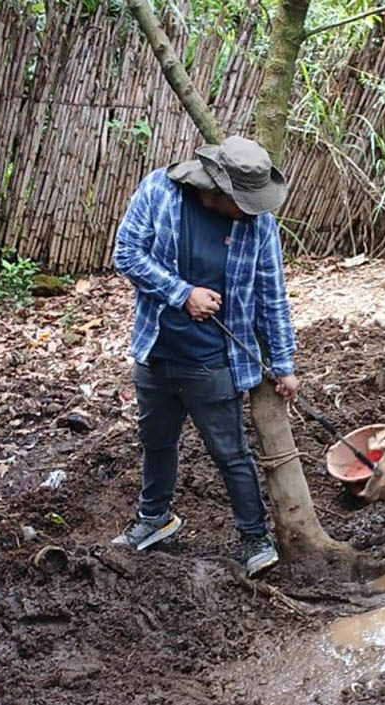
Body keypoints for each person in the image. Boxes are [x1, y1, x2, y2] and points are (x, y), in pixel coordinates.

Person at [111, 136, 299, 578]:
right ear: (217, 189)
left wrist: (284, 364)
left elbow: (272, 297)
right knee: (157, 441)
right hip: (156, 349)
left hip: (214, 360)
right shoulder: (161, 191)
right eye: (244, 203)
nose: (251, 211)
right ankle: (155, 517)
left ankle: (254, 537)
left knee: (230, 452)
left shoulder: (260, 226)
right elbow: (127, 254)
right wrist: (183, 294)